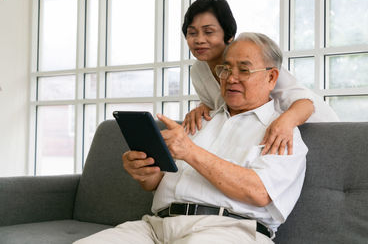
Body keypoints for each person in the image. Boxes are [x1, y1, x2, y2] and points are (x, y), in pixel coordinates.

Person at [74, 32, 308, 244]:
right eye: (226, 69)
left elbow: (259, 192)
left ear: (271, 77)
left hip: (228, 230)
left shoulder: (282, 132)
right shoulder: (199, 121)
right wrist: (145, 172)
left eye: (244, 70)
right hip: (156, 227)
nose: (231, 78)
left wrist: (190, 151)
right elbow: (156, 184)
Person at [182, 0, 339, 155]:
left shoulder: (258, 61)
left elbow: (306, 103)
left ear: (229, 35)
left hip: (316, 128)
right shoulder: (198, 71)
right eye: (192, 33)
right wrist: (202, 109)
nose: (199, 40)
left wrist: (285, 121)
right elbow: (221, 106)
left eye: (208, 32)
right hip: (267, 136)